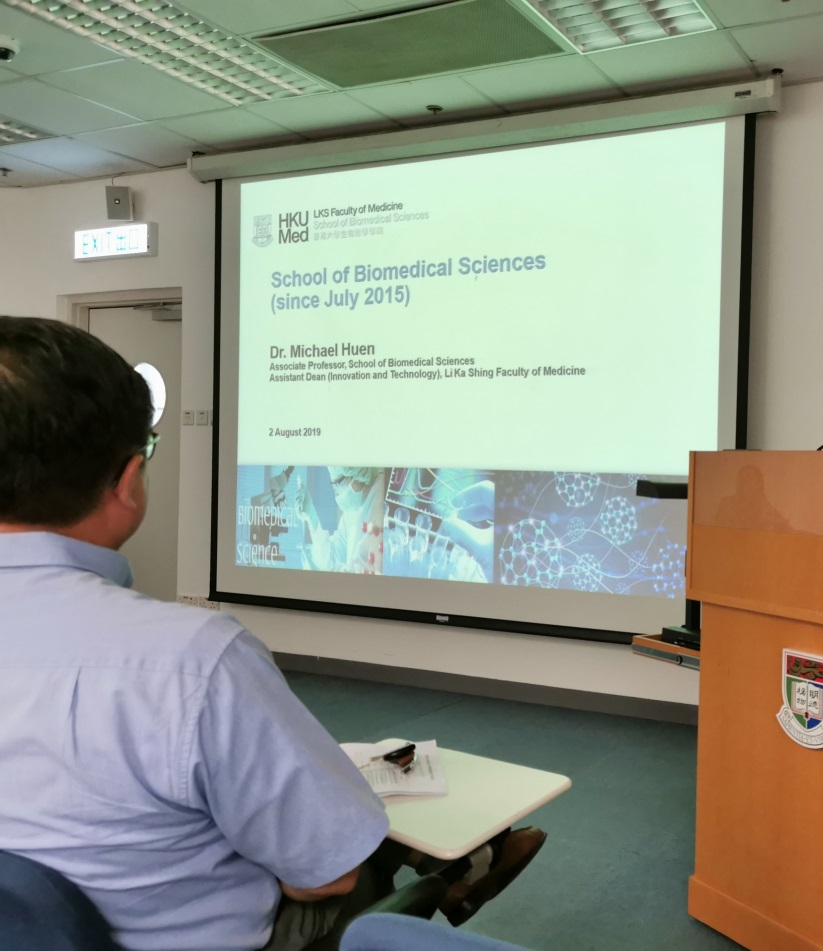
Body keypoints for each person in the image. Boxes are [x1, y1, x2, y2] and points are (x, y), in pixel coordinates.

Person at [0, 317, 545, 951]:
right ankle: (456, 870)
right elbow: (326, 878)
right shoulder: (193, 661)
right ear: (127, 480)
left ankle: (463, 865)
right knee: (344, 843)